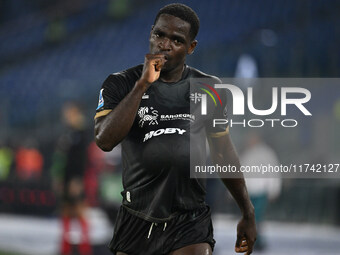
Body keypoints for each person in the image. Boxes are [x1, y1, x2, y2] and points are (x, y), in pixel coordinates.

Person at [94, 3, 256, 255]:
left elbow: (223, 153)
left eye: (176, 40)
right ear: (151, 34)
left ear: (191, 47)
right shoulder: (121, 83)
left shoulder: (209, 88)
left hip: (189, 221)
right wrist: (141, 87)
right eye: (159, 35)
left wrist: (247, 211)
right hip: (137, 217)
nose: (164, 44)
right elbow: (104, 140)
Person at [51, 102, 92, 255]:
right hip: (67, 177)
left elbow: (82, 159)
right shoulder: (68, 133)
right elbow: (62, 158)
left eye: (68, 112)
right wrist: (59, 178)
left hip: (77, 178)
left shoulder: (83, 133)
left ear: (76, 113)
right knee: (66, 211)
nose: (66, 116)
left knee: (80, 210)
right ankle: (66, 249)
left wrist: (78, 179)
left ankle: (85, 249)